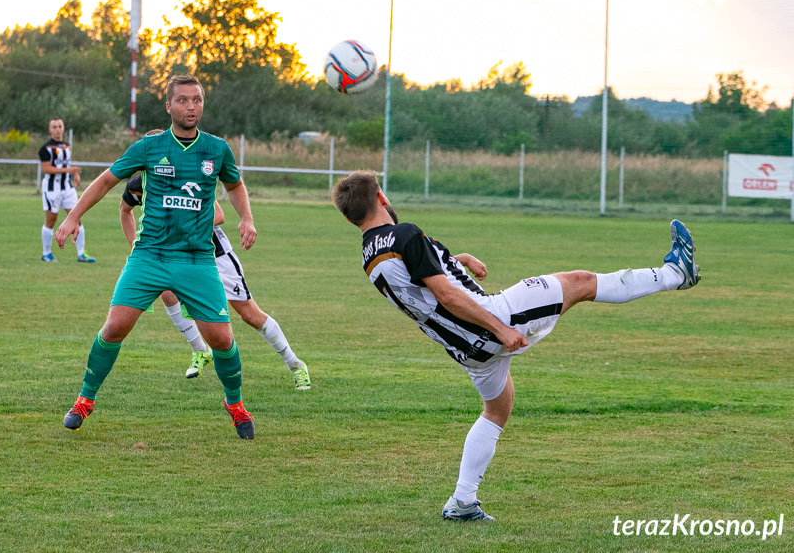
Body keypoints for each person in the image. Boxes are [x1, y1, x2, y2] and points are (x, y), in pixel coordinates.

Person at [331, 170, 701, 522]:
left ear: (351, 219)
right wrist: (501, 329)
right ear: (381, 197)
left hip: (466, 350)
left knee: (496, 409)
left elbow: (419, 288)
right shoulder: (405, 233)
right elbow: (445, 295)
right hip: (493, 319)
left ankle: (462, 500)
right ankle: (675, 274)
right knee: (581, 282)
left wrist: (456, 261)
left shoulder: (370, 254)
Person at [54, 74, 259, 440]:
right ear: (169, 106)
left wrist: (246, 217)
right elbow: (106, 180)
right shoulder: (149, 147)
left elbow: (235, 184)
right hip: (149, 256)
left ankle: (236, 405)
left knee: (222, 340)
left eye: (196, 99)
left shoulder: (217, 149)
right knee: (114, 327)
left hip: (196, 259)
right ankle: (85, 400)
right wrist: (73, 215)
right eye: (182, 100)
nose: (190, 106)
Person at [119, 171, 311, 390]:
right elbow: (125, 210)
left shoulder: (187, 177)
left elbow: (219, 215)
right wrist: (137, 246)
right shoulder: (138, 185)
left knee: (249, 314)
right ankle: (200, 350)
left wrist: (180, 223)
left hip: (214, 256)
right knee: (166, 292)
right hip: (178, 259)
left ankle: (296, 365)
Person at [38, 118, 94, 263]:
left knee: (77, 218)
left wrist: (74, 175)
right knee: (51, 220)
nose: (57, 129)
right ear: (50, 130)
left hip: (67, 189)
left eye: (60, 126)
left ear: (63, 129)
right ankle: (46, 253)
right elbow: (46, 169)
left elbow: (66, 165)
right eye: (54, 127)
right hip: (52, 190)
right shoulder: (45, 148)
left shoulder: (66, 146)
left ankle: (81, 254)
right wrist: (70, 170)